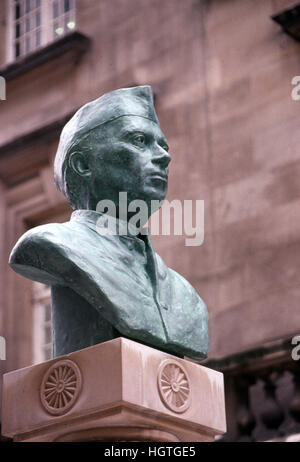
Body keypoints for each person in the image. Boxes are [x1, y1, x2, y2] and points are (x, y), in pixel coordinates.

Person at [9, 86, 209, 360]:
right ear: (83, 164)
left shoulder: (185, 297)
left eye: (163, 145)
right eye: (139, 140)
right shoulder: (50, 245)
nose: (164, 156)